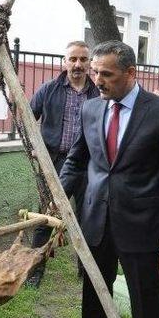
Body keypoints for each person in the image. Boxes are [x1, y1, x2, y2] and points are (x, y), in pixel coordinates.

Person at [60, 40, 159, 318]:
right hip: (96, 217)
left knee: (145, 294)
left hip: (141, 222)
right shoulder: (91, 108)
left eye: (106, 74)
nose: (97, 80)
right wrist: (59, 196)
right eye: (94, 72)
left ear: (130, 73)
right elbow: (77, 159)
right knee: (95, 285)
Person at [26, 40, 99, 288]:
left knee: (88, 217)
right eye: (73, 59)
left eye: (83, 59)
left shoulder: (98, 92)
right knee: (46, 216)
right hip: (55, 162)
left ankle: (86, 271)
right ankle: (35, 272)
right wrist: (34, 147)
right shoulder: (49, 89)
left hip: (89, 165)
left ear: (89, 63)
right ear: (64, 62)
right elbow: (26, 117)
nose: (78, 64)